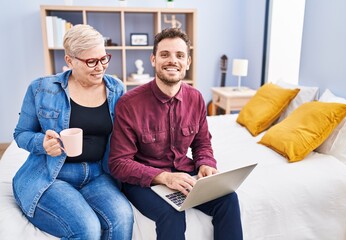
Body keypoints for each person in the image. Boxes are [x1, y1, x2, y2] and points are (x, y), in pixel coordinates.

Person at [109, 28, 243, 240]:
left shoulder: (196, 98)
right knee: (172, 213)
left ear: (188, 62)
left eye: (180, 55)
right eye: (165, 54)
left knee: (228, 198)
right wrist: (163, 177)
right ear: (153, 59)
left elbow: (202, 144)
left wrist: (206, 164)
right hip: (144, 182)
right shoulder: (129, 104)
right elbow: (118, 163)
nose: (173, 61)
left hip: (184, 173)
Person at [13, 24, 133, 240]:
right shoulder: (42, 88)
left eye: (104, 58)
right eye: (91, 61)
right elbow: (21, 133)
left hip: (98, 175)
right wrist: (42, 143)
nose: (100, 67)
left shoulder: (116, 89)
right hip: (53, 175)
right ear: (70, 61)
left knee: (123, 218)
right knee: (87, 229)